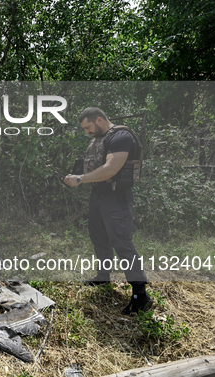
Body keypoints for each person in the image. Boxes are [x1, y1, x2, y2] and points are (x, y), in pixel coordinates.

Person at [63, 107, 153, 316]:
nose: (87, 132)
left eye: (88, 127)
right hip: (99, 195)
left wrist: (80, 179)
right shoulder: (99, 138)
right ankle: (103, 276)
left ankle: (141, 295)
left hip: (115, 197)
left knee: (121, 243)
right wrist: (76, 175)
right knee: (99, 237)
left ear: (99, 120)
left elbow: (111, 169)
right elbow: (94, 167)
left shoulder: (121, 137)